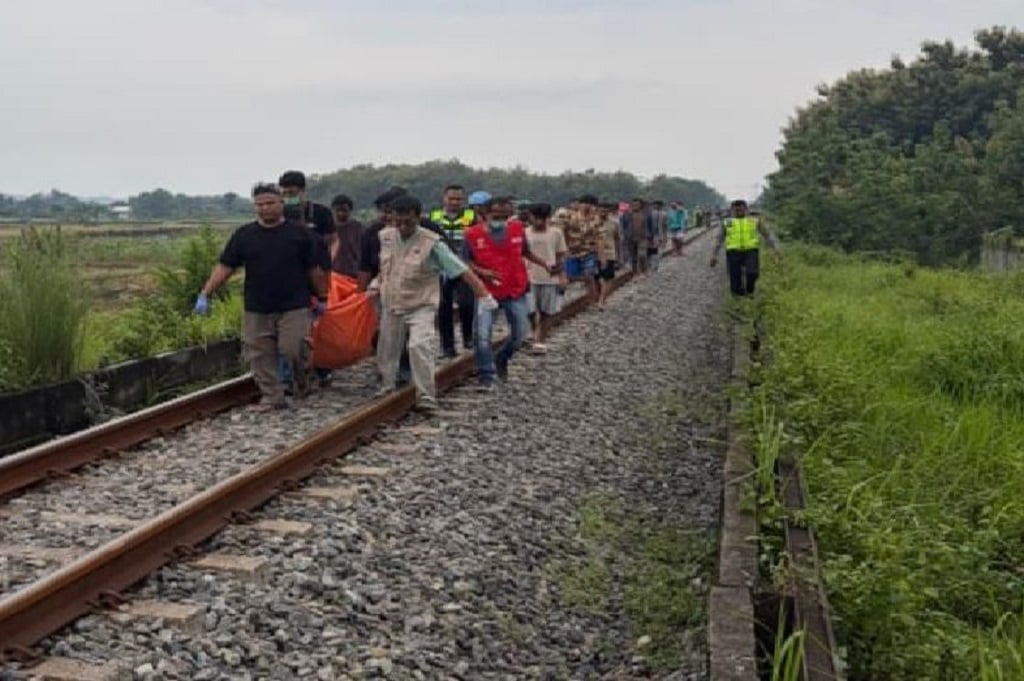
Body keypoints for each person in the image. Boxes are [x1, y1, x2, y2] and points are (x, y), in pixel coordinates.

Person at [194, 184, 324, 410]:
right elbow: (226, 266)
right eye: (260, 205)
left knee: (293, 349)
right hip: (257, 306)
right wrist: (206, 293)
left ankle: (302, 382)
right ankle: (273, 397)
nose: (265, 208)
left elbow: (313, 269)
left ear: (281, 203)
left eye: (270, 203)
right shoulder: (244, 235)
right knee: (259, 354)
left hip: (294, 304)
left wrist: (322, 297)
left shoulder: (300, 234)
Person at [376, 195, 496, 413]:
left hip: (421, 304)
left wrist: (484, 295)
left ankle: (425, 396)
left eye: (408, 222)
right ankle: (387, 386)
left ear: (417, 217)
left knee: (419, 346)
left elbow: (460, 270)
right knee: (388, 349)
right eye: (398, 222)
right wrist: (375, 285)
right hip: (392, 303)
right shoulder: (385, 237)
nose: (402, 227)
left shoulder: (432, 243)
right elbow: (385, 269)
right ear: (392, 218)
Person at [464, 196, 553, 389]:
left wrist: (543, 263)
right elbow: (465, 262)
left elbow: (525, 252)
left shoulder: (517, 229)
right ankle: (486, 376)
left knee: (521, 334)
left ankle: (502, 358)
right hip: (486, 292)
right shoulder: (471, 234)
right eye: (496, 216)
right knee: (482, 335)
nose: (501, 221)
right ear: (484, 215)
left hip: (515, 289)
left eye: (505, 216)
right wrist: (483, 272)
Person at [429, 184, 477, 358]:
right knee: (444, 307)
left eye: (459, 199)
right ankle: (447, 346)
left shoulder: (471, 217)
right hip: (441, 268)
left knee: (467, 303)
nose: (455, 202)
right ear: (444, 199)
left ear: (463, 200)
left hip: (464, 266)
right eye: (451, 199)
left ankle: (468, 337)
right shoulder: (434, 216)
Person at [710, 199, 780, 296]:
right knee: (735, 278)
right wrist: (714, 255)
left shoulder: (754, 221)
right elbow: (719, 239)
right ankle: (738, 299)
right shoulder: (727, 222)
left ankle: (749, 291)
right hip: (733, 252)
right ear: (732, 210)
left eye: (741, 210)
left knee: (752, 273)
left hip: (751, 251)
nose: (738, 212)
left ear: (746, 209)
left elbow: (767, 234)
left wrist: (775, 248)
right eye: (736, 210)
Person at [523, 202, 566, 352]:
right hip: (528, 276)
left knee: (546, 311)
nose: (540, 222)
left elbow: (560, 255)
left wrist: (561, 275)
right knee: (530, 309)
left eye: (543, 218)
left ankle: (540, 339)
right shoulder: (524, 233)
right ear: (530, 217)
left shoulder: (556, 233)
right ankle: (534, 331)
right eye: (536, 218)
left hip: (549, 277)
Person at [563, 194, 601, 302]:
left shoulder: (596, 219)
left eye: (590, 204)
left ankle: (592, 300)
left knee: (589, 276)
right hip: (572, 251)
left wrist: (601, 255)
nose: (587, 206)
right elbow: (563, 231)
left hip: (589, 252)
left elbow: (599, 237)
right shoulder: (570, 217)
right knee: (570, 276)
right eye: (584, 204)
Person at [329, 194, 363, 279]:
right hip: (333, 274)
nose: (341, 213)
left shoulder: (358, 228)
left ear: (350, 211)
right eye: (338, 210)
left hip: (354, 274)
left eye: (344, 210)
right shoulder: (328, 228)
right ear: (333, 210)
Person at [595, 202, 621, 308]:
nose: (603, 213)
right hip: (594, 253)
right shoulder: (593, 223)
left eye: (605, 211)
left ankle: (602, 299)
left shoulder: (614, 224)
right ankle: (599, 297)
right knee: (595, 278)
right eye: (601, 210)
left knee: (608, 278)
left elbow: (617, 239)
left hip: (609, 253)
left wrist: (619, 256)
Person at [620, 197, 655, 277]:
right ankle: (635, 273)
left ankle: (644, 270)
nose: (635, 206)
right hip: (630, 238)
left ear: (640, 205)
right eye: (633, 204)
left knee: (642, 254)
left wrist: (651, 238)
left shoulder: (646, 214)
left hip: (643, 237)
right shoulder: (626, 214)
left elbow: (651, 226)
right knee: (633, 257)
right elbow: (623, 226)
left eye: (637, 205)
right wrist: (624, 235)